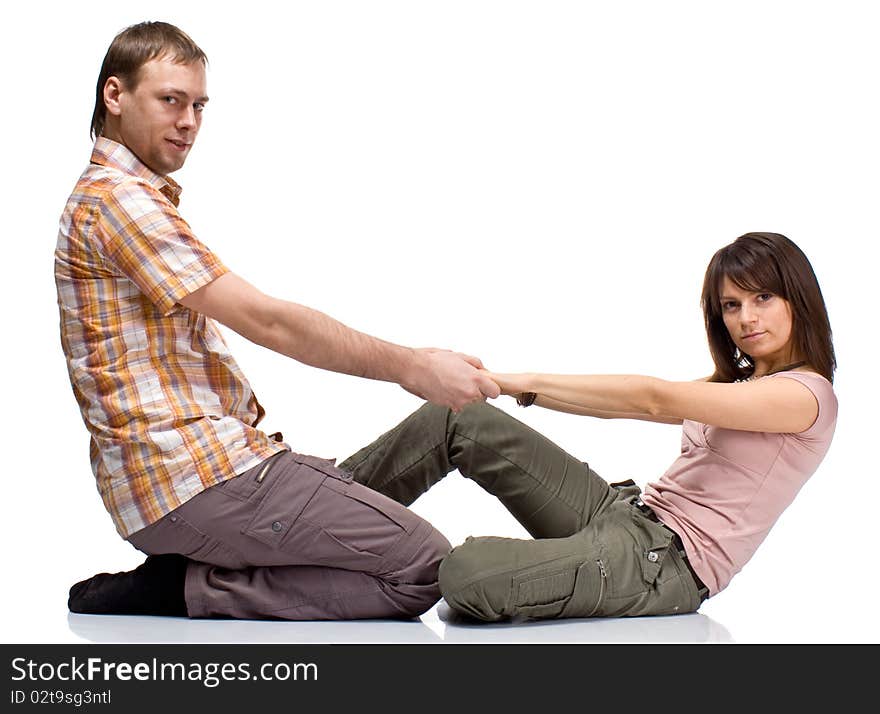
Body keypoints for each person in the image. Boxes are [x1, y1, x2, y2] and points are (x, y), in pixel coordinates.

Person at [58, 21, 499, 621]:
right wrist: (412, 366)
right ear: (115, 96)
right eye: (170, 100)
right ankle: (186, 589)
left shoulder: (127, 196)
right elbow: (269, 322)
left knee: (441, 428)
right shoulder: (119, 202)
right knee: (421, 566)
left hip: (213, 468)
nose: (189, 121)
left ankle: (198, 564)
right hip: (194, 480)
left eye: (199, 105)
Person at [333, 231, 837, 621]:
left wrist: (520, 380)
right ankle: (313, 515)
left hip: (661, 569)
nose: (746, 318)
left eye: (762, 298)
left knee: (463, 575)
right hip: (624, 513)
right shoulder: (742, 386)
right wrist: (509, 387)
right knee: (453, 419)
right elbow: (625, 406)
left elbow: (652, 399)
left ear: (797, 297)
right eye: (732, 304)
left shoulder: (805, 396)